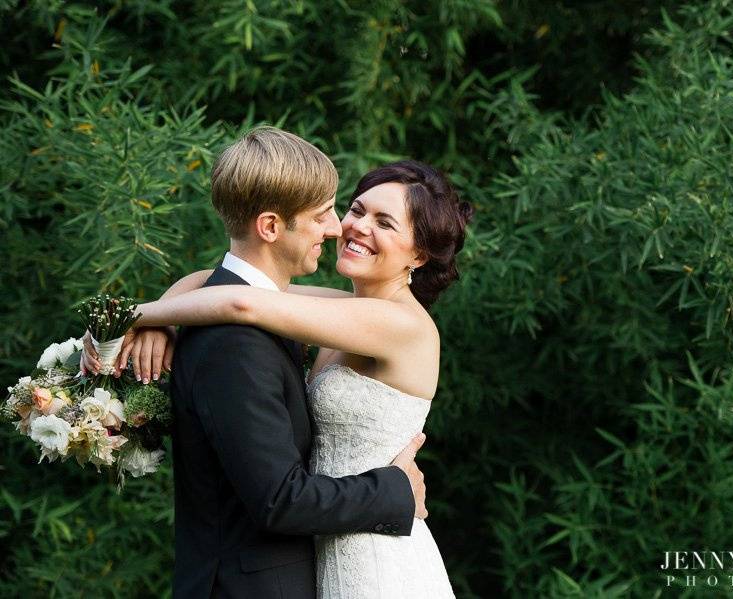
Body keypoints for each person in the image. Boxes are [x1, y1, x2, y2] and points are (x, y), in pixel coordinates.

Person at [83, 130, 471, 598]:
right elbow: (214, 282)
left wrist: (128, 317)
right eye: (355, 210)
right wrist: (158, 324)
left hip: (374, 551)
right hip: (326, 541)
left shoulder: (399, 324)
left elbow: (243, 305)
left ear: (419, 254)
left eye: (385, 223)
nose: (352, 227)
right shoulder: (338, 312)